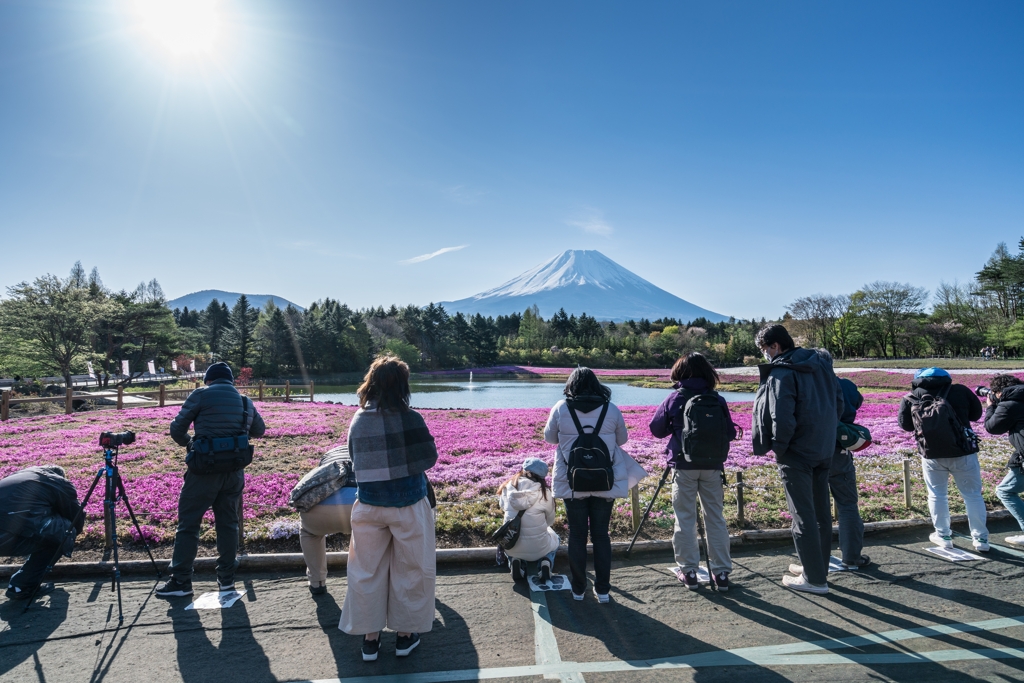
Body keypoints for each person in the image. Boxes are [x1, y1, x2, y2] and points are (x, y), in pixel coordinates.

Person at [339, 355, 438, 662]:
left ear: (371, 383)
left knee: (365, 571)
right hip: (408, 503)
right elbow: (430, 458)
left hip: (369, 505)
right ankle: (405, 636)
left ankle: (370, 640)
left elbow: (353, 457)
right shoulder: (411, 417)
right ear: (402, 386)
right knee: (411, 569)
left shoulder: (358, 419)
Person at [157, 362, 266, 597]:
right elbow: (259, 430)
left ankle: (181, 581)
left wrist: (191, 444)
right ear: (231, 380)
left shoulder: (201, 395)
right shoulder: (245, 401)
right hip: (234, 472)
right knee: (228, 524)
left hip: (203, 472)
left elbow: (177, 429)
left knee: (188, 525)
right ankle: (227, 580)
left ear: (208, 379)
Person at [752, 325, 843, 595]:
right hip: (823, 448)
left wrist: (780, 448)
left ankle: (814, 580)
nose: (765, 354)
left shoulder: (782, 372)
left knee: (802, 515)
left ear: (775, 346)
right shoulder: (821, 365)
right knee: (821, 513)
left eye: (764, 349)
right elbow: (838, 403)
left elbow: (781, 416)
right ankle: (816, 567)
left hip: (796, 452)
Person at [547, 367, 647, 603]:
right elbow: (622, 440)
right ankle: (602, 591)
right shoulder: (611, 409)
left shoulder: (561, 408)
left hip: (573, 482)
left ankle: (578, 589)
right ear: (596, 385)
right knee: (601, 535)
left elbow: (550, 438)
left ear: (571, 386)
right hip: (605, 481)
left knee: (577, 534)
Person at [649, 352, 738, 592]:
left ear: (679, 373)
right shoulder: (717, 399)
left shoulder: (675, 398)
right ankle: (721, 573)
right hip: (713, 467)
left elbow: (656, 430)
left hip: (683, 466)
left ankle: (689, 571)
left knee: (685, 518)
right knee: (716, 518)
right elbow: (730, 433)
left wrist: (678, 428)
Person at [898, 367, 988, 552]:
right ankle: (981, 539)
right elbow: (976, 415)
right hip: (963, 451)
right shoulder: (960, 390)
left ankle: (943, 536)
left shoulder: (910, 397)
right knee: (972, 495)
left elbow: (906, 426)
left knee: (937, 495)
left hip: (931, 453)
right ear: (947, 378)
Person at [0, 466, 81, 600]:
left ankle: (20, 585)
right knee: (60, 535)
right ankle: (21, 586)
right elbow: (75, 516)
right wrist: (72, 537)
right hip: (6, 537)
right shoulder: (58, 483)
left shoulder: (18, 476)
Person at [294, 446, 357, 596]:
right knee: (369, 532)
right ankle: (362, 581)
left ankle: (317, 582)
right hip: (356, 506)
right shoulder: (365, 455)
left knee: (309, 533)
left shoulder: (328, 456)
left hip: (317, 510)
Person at [830, 374, 871, 569]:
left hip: (810, 451)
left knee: (813, 508)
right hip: (840, 451)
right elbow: (858, 401)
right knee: (847, 505)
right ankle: (852, 556)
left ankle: (816, 559)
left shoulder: (808, 383)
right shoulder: (845, 384)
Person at [497, 458, 559, 583]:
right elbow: (550, 521)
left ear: (524, 470)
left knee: (513, 550)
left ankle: (515, 562)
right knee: (556, 538)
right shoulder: (545, 492)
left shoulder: (508, 487)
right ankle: (546, 562)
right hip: (539, 548)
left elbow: (503, 507)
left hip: (511, 542)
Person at [982, 374, 1024, 545]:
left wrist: (991, 407)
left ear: (998, 392)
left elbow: (992, 427)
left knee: (1005, 491)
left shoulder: (1009, 405)